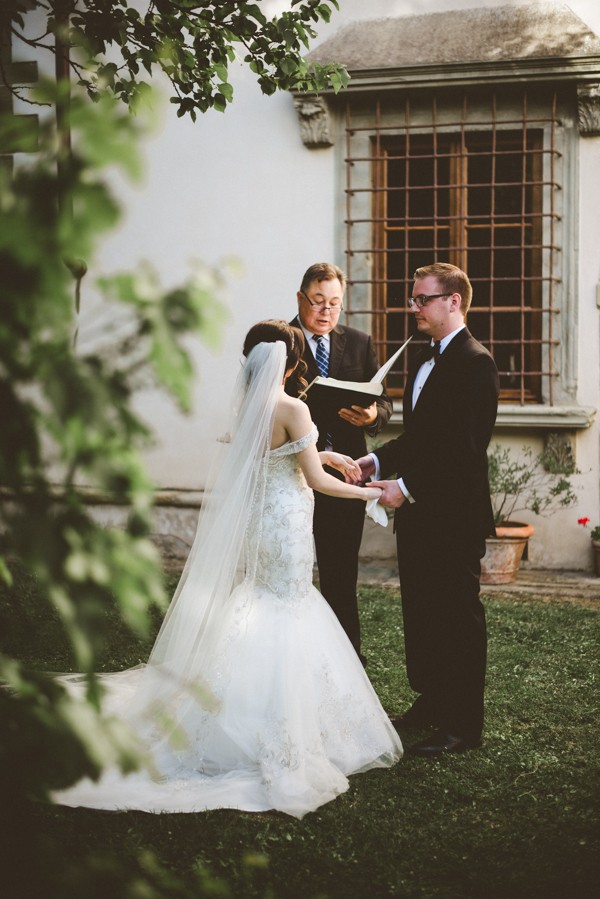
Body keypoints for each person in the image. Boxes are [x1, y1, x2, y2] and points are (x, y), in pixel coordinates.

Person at [53, 320, 402, 818]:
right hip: (287, 519)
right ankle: (278, 729)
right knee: (288, 603)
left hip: (264, 522)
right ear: (294, 361)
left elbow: (277, 453)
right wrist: (371, 491)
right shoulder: (295, 407)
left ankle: (223, 713)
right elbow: (316, 482)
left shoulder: (251, 406)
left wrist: (322, 452)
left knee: (261, 598)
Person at [356, 263, 499, 757]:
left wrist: (407, 487)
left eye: (422, 299)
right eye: (413, 298)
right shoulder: (424, 359)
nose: (413, 306)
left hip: (453, 518)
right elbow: (421, 439)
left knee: (457, 617)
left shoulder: (475, 362)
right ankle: (435, 701)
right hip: (419, 516)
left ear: (453, 301)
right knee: (423, 612)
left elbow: (463, 451)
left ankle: (463, 725)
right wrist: (376, 459)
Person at [287, 263, 392, 664]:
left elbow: (383, 400)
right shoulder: (283, 340)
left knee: (341, 576)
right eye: (318, 302)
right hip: (292, 475)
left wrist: (372, 417)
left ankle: (346, 661)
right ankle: (297, 660)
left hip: (343, 472)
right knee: (292, 574)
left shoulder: (359, 343)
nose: (326, 312)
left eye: (334, 304)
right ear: (301, 299)